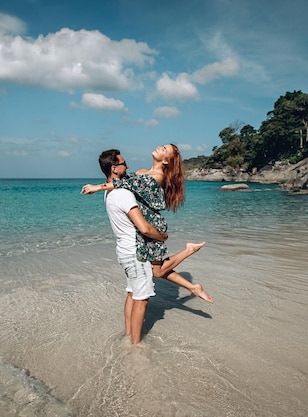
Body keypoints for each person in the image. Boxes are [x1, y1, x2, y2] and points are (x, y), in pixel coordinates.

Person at [83, 144, 213, 303]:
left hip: (151, 228)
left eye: (164, 150)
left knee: (156, 272)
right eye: (162, 146)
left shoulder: (158, 176)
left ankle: (188, 250)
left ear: (166, 161)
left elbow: (127, 184)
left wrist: (96, 187)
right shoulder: (143, 171)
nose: (159, 147)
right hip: (142, 227)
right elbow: (124, 180)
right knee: (155, 270)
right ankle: (193, 288)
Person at [94, 149, 168, 344]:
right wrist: (162, 236)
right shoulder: (124, 194)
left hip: (123, 251)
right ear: (115, 169)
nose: (128, 166)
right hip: (136, 253)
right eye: (124, 163)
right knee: (142, 300)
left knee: (132, 294)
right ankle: (136, 347)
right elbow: (144, 228)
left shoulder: (109, 193)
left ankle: (128, 334)